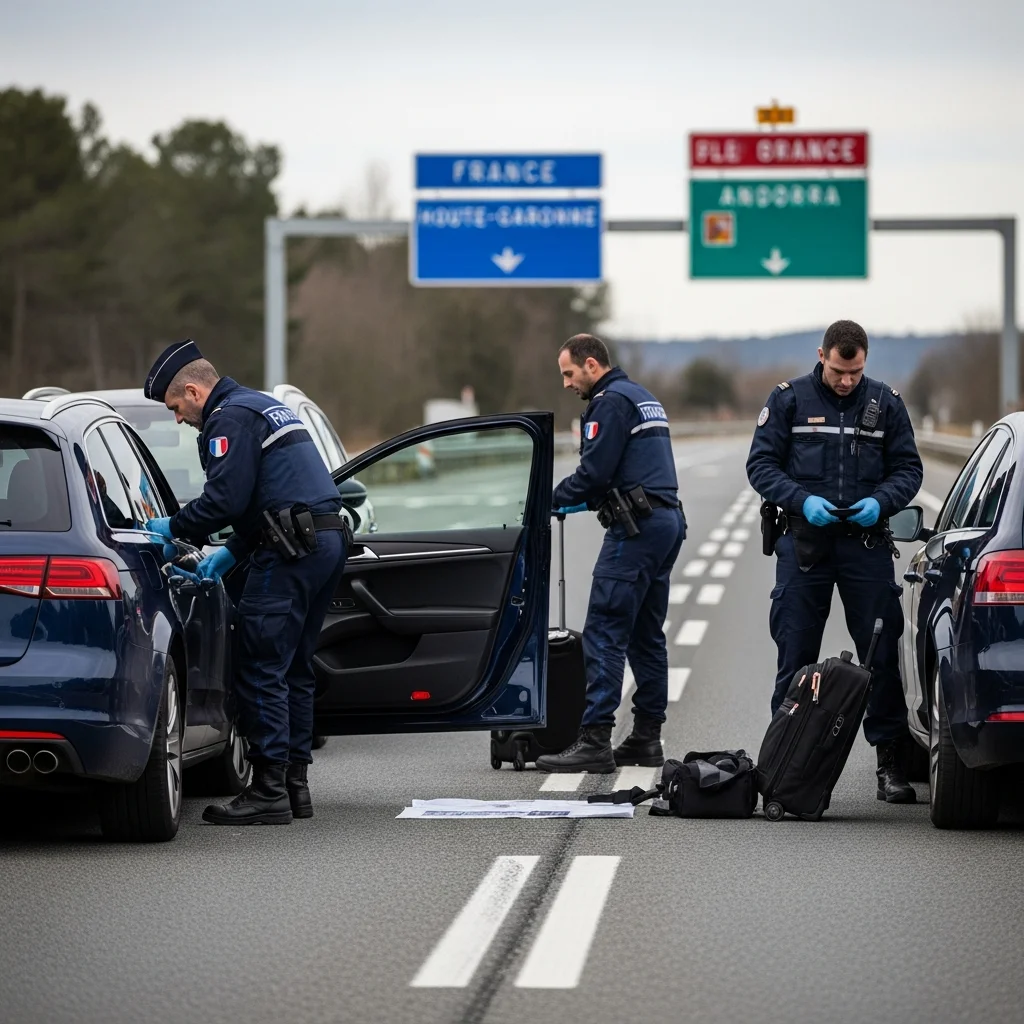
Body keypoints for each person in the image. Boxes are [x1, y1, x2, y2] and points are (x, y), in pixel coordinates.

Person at [142, 339, 348, 825]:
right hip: (323, 541)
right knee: (293, 668)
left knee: (259, 665)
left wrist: (169, 528)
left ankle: (268, 791)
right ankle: (296, 787)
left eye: (175, 408)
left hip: (290, 551)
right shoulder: (263, 405)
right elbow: (272, 492)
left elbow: (225, 502)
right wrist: (233, 551)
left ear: (193, 391)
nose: (178, 418)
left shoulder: (227, 419)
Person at [747, 320, 923, 803]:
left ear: (865, 361)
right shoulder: (789, 399)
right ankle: (779, 768)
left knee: (880, 656)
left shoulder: (885, 403)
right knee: (795, 656)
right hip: (805, 544)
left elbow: (909, 469)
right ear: (822, 355)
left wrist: (882, 502)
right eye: (840, 370)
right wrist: (801, 500)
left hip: (865, 546)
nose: (847, 380)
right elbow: (760, 465)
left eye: (856, 371)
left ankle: (889, 763)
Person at [536, 334, 686, 774]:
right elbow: (624, 470)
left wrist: (544, 499)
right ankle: (645, 738)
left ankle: (596, 740)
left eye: (568, 373)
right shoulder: (642, 397)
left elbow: (594, 475)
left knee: (603, 630)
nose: (566, 383)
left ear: (590, 365)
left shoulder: (610, 402)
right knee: (645, 634)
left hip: (635, 530)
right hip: (666, 521)